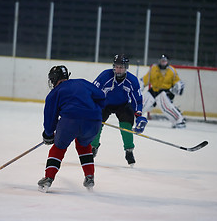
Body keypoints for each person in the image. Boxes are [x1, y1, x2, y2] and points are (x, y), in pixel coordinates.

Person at [38, 65, 105, 193]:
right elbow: (101, 96)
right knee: (84, 145)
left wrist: (48, 134)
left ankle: (48, 178)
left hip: (70, 121)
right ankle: (89, 177)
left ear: (55, 79)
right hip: (94, 122)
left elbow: (50, 117)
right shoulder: (83, 82)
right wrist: (93, 113)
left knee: (59, 147)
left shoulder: (55, 93)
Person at [91, 54, 148, 167]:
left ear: (126, 67)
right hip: (104, 104)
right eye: (117, 66)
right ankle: (93, 146)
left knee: (126, 125)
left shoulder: (132, 80)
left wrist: (139, 116)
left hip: (123, 105)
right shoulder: (105, 76)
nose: (118, 69)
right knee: (96, 123)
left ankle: (129, 150)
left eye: (121, 67)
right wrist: (88, 108)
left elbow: (137, 100)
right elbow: (92, 91)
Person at [139, 54, 186, 128]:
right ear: (159, 61)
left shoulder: (172, 70)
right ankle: (134, 117)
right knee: (143, 102)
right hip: (154, 91)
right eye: (162, 61)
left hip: (165, 92)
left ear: (167, 61)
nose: (163, 62)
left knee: (165, 105)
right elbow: (145, 79)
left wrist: (178, 86)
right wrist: (140, 85)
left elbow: (177, 82)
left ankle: (179, 120)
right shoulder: (153, 68)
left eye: (164, 61)